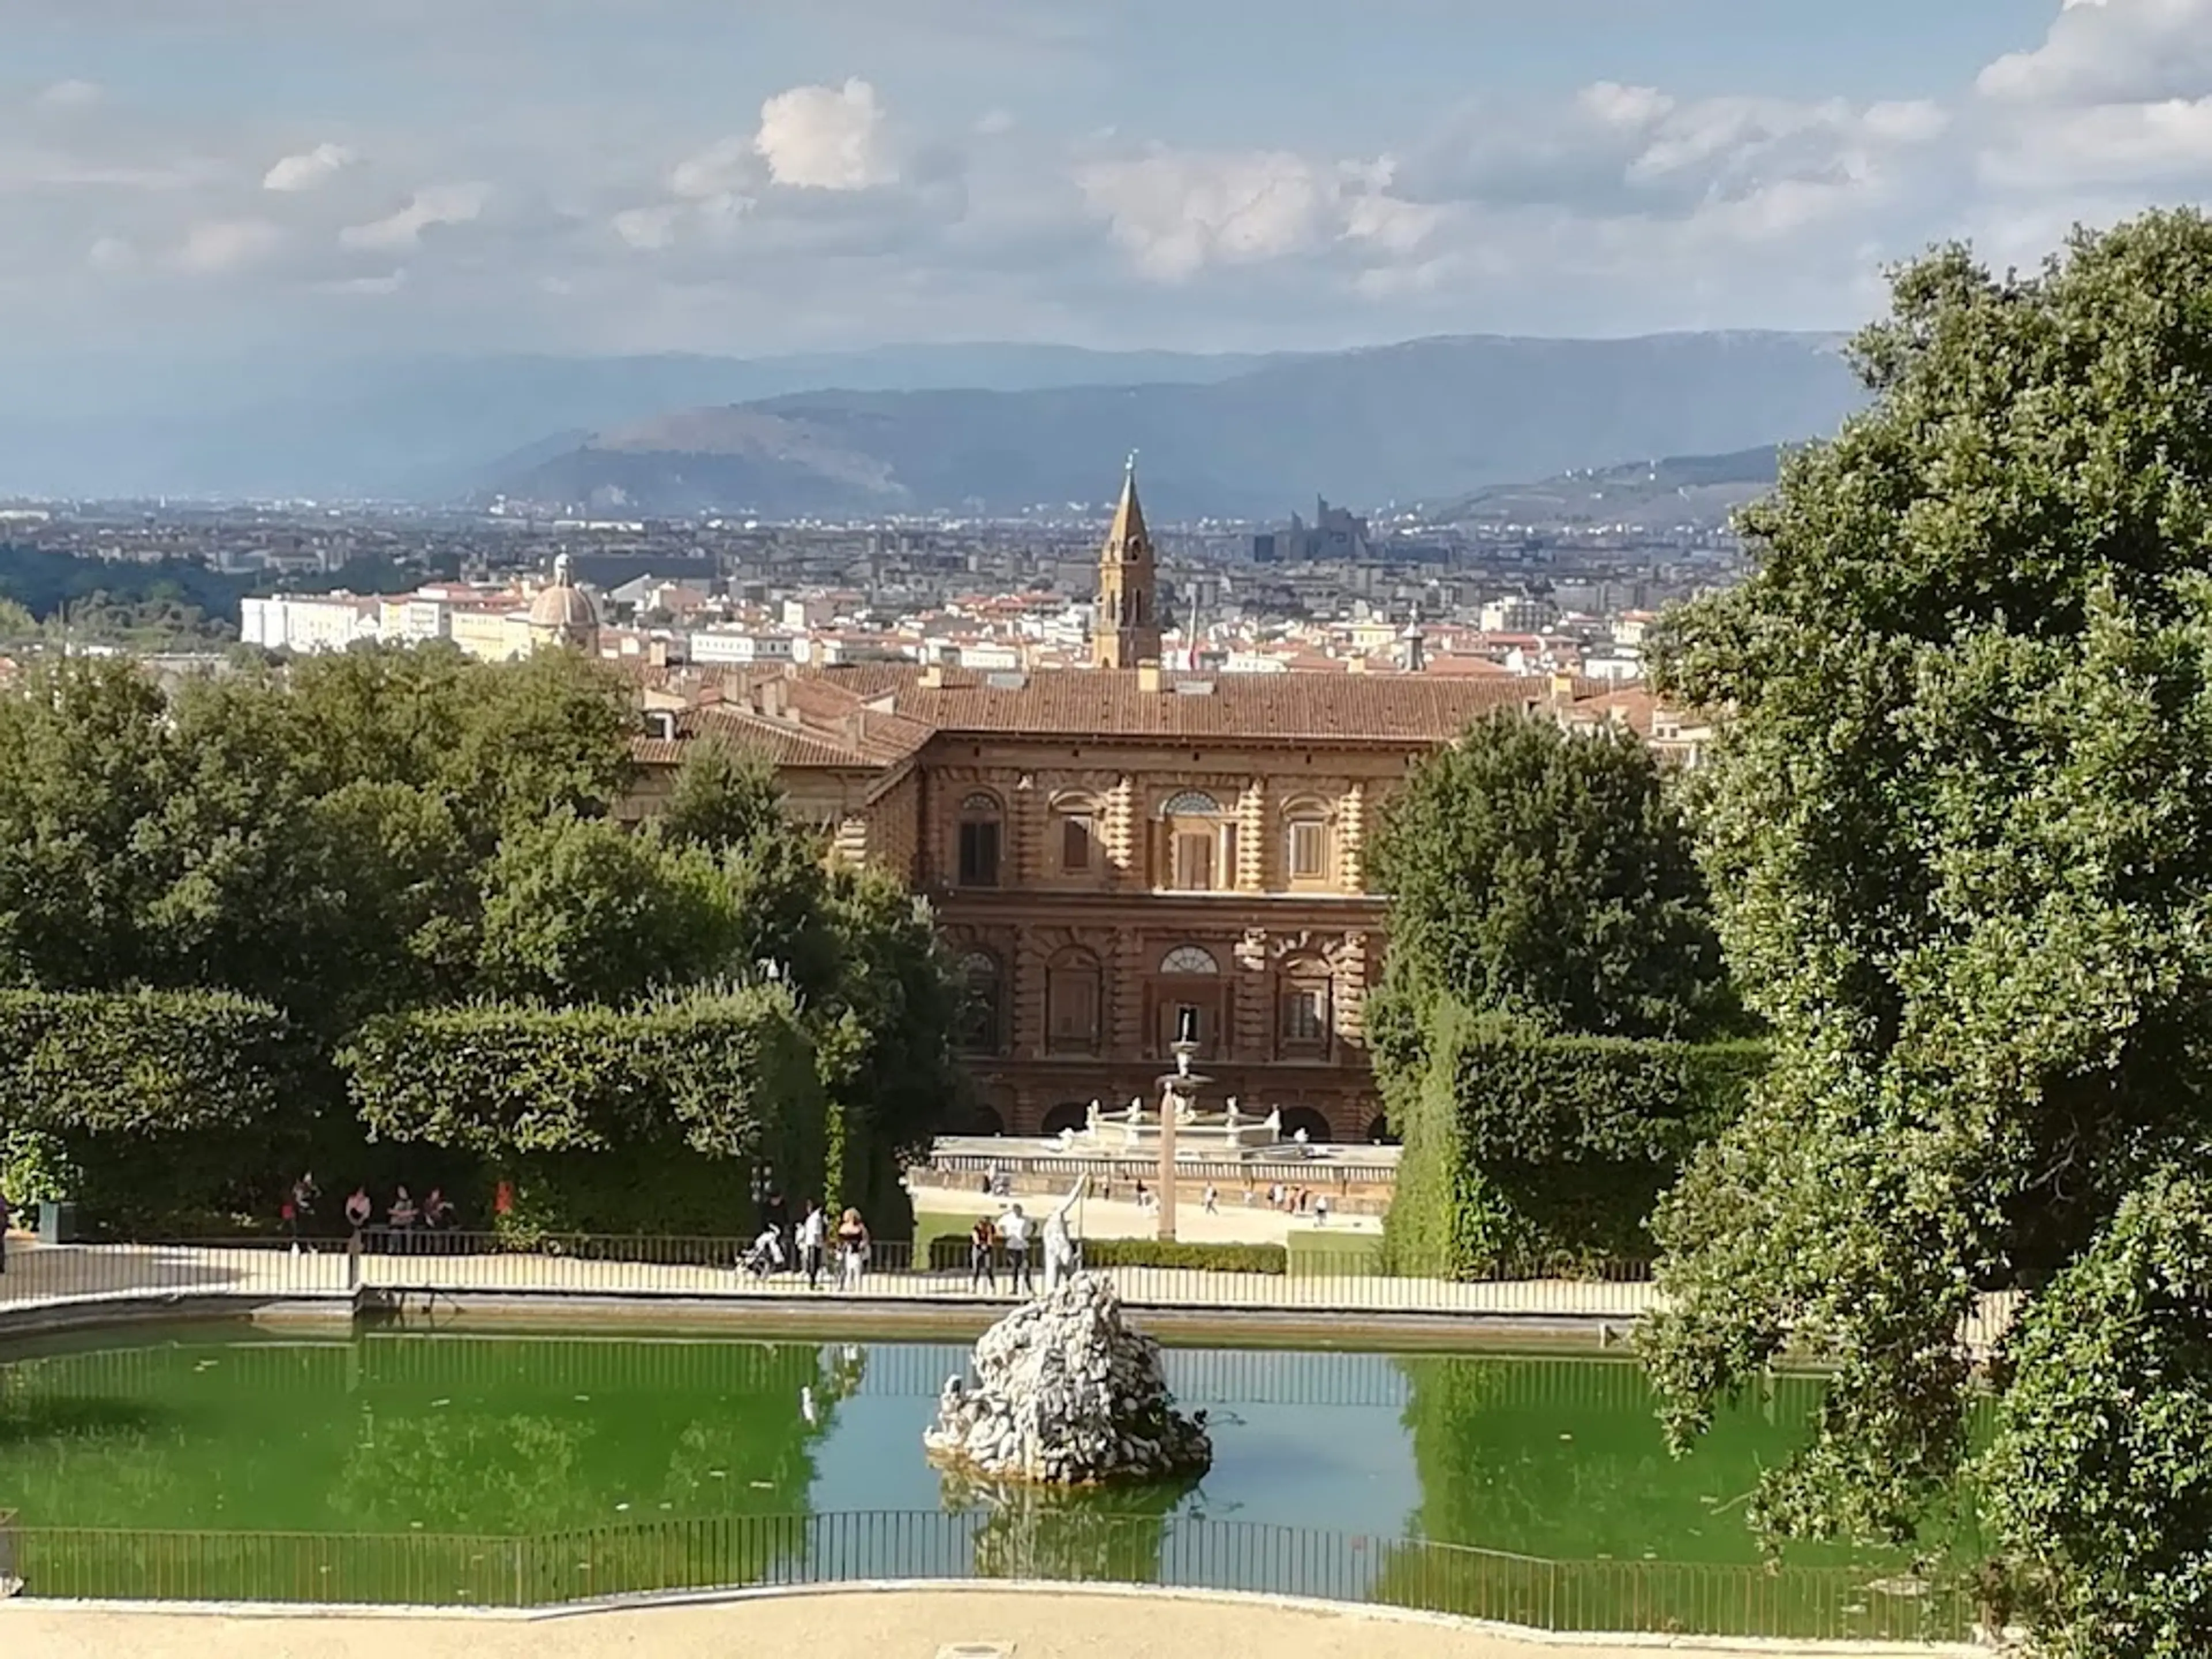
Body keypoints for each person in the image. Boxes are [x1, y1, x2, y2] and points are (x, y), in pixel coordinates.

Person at [998, 1203, 1033, 1295]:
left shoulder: (1026, 1219)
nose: (1019, 1213)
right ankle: (1015, 1288)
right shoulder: (1008, 1218)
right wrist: (1005, 1235)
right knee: (1014, 1268)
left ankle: (1029, 1288)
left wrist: (1030, 1235)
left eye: (1020, 1211)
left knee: (1026, 1268)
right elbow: (999, 1226)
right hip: (1012, 1247)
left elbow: (1034, 1224)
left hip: (1023, 1246)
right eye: (1017, 1211)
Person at [834, 1207, 869, 1291]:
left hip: (856, 1251)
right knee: (847, 1270)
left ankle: (857, 1288)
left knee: (857, 1270)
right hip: (846, 1251)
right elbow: (839, 1240)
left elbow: (866, 1239)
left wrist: (862, 1245)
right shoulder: (844, 1227)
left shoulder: (860, 1227)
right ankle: (846, 1287)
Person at [796, 1199, 827, 1289]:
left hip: (811, 1242)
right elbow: (816, 1232)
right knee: (814, 1263)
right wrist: (821, 1242)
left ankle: (813, 1281)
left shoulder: (812, 1217)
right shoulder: (816, 1217)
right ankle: (813, 1281)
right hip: (815, 1243)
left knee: (812, 1263)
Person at [968, 1214, 998, 1292]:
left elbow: (991, 1237)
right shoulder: (976, 1227)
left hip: (988, 1248)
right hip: (977, 1248)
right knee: (976, 1269)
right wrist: (979, 1245)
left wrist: (988, 1245)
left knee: (989, 1268)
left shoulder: (991, 1227)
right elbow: (975, 1235)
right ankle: (973, 1286)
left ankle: (993, 1287)